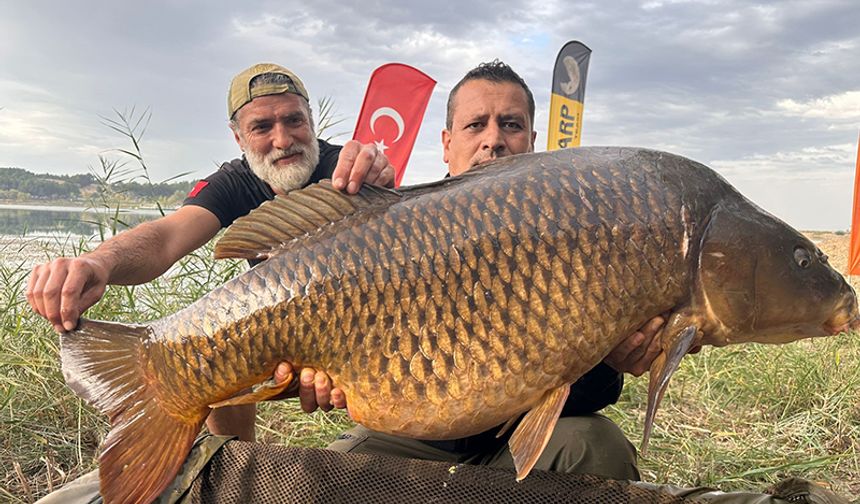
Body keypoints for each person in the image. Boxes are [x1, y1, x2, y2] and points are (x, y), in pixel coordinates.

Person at [27, 62, 393, 455]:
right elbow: (167, 237)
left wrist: (383, 186)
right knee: (218, 352)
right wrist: (100, 262)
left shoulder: (348, 171)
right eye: (262, 127)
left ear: (312, 121)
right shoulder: (236, 181)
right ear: (238, 137)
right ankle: (231, 458)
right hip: (287, 327)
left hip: (365, 323)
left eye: (293, 120)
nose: (283, 139)